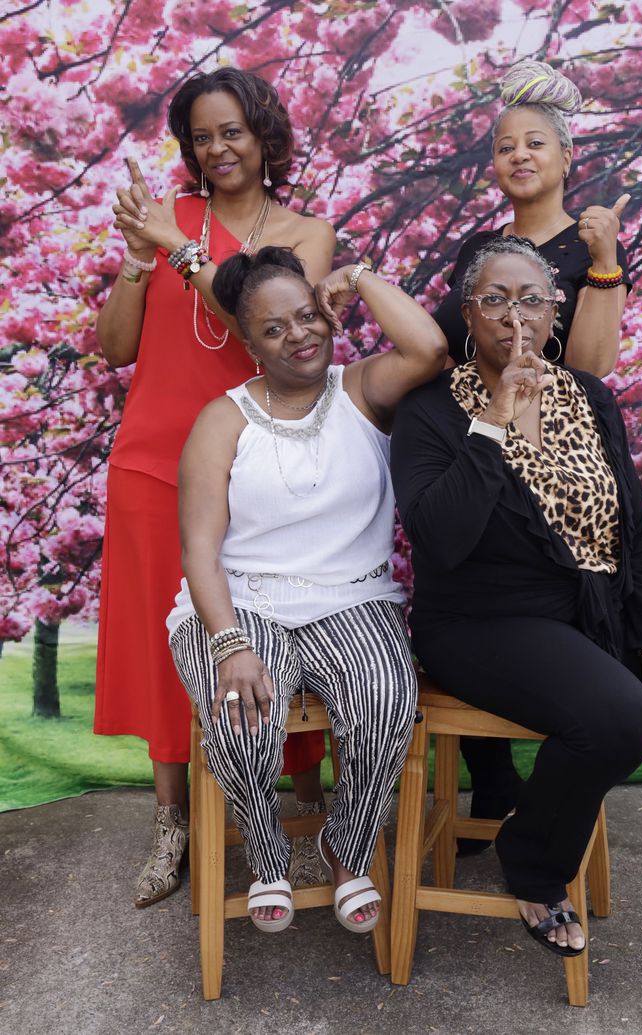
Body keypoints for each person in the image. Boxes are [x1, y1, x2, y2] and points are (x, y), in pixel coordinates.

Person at [390, 236, 642, 983]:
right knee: (618, 717)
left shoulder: (589, 395)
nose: (516, 315)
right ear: (466, 311)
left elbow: (634, 528)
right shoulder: (431, 413)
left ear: (556, 312)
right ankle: (534, 860)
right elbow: (440, 539)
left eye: (533, 299)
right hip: (484, 622)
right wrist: (497, 420)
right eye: (496, 299)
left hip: (599, 610)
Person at [94, 67, 336, 908]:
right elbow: (114, 348)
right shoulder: (166, 218)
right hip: (151, 461)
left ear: (265, 133)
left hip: (260, 462)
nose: (216, 148)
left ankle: (304, 811)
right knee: (167, 653)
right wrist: (136, 257)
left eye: (231, 130)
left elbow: (268, 324)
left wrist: (181, 247)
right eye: (201, 135)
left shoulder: (307, 231)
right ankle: (172, 822)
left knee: (279, 627)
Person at [168, 245, 447, 932]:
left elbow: (431, 346)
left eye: (307, 315)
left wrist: (353, 278)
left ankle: (345, 847)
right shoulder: (222, 419)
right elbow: (199, 547)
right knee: (239, 712)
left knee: (388, 699)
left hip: (353, 597)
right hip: (245, 600)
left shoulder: (362, 391)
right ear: (248, 341)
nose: (300, 335)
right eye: (274, 327)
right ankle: (269, 853)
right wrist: (230, 642)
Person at [432, 59, 632, 850]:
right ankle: (496, 781)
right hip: (478, 434)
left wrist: (607, 259)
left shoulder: (589, 243)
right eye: (507, 145)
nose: (520, 155)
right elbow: (445, 351)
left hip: (562, 440)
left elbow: (590, 368)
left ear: (565, 156)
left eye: (536, 143)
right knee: (468, 584)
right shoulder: (481, 253)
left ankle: (556, 794)